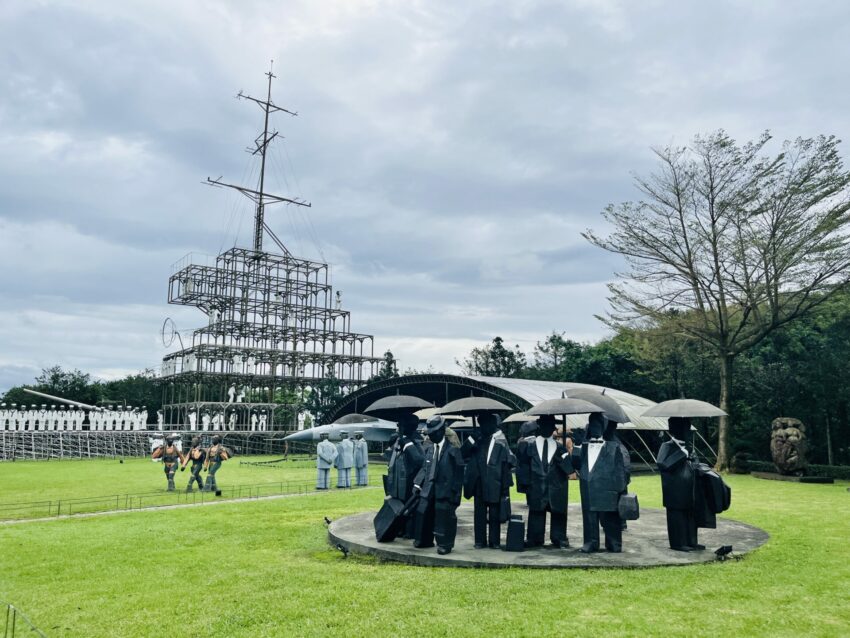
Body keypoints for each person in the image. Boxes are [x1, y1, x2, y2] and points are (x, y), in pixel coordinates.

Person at [573, 413, 628, 553]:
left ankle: (613, 542)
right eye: (592, 425)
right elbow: (575, 464)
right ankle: (590, 542)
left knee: (609, 516)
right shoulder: (584, 447)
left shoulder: (613, 447)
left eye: (597, 425)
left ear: (604, 427)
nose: (594, 428)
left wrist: (619, 489)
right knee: (589, 516)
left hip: (607, 488)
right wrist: (577, 445)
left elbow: (620, 470)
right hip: (587, 486)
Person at [518, 414, 572, 549]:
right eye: (545, 425)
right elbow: (523, 467)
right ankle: (534, 538)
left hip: (556, 486)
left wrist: (564, 458)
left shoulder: (560, 448)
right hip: (536, 485)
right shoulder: (529, 446)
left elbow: (569, 469)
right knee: (536, 512)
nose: (548, 428)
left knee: (558, 513)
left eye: (551, 426)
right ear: (539, 426)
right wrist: (524, 486)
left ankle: (559, 537)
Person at [412, 417, 465, 554]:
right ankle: (424, 539)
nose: (431, 435)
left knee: (444, 515)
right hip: (429, 488)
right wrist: (417, 484)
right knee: (422, 511)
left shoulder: (453, 450)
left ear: (442, 431)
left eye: (434, 432)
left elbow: (459, 475)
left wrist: (456, 495)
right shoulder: (429, 449)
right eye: (430, 433)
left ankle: (445, 544)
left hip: (445, 490)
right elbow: (425, 468)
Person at [461, 413, 514, 549]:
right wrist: (472, 439)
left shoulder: (500, 444)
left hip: (494, 482)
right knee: (479, 513)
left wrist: (505, 487)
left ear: (493, 425)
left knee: (495, 514)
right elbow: (461, 454)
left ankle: (494, 541)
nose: (485, 427)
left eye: (488, 424)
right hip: (478, 482)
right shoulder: (475, 442)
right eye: (482, 424)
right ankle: (480, 540)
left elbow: (505, 467)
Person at [657, 417, 704, 551]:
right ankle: (678, 543)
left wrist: (694, 461)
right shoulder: (667, 446)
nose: (687, 431)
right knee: (677, 517)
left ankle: (691, 541)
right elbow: (662, 464)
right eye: (684, 428)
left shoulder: (689, 447)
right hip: (674, 490)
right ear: (674, 430)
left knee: (690, 516)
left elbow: (695, 465)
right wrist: (682, 454)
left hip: (689, 489)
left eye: (688, 428)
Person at [384, 413, 425, 538]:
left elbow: (419, 460)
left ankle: (409, 530)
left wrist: (407, 444)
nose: (398, 428)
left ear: (407, 427)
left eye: (400, 425)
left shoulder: (416, 441)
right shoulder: (399, 439)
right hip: (398, 480)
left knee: (409, 506)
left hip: (410, 480)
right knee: (399, 504)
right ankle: (400, 528)